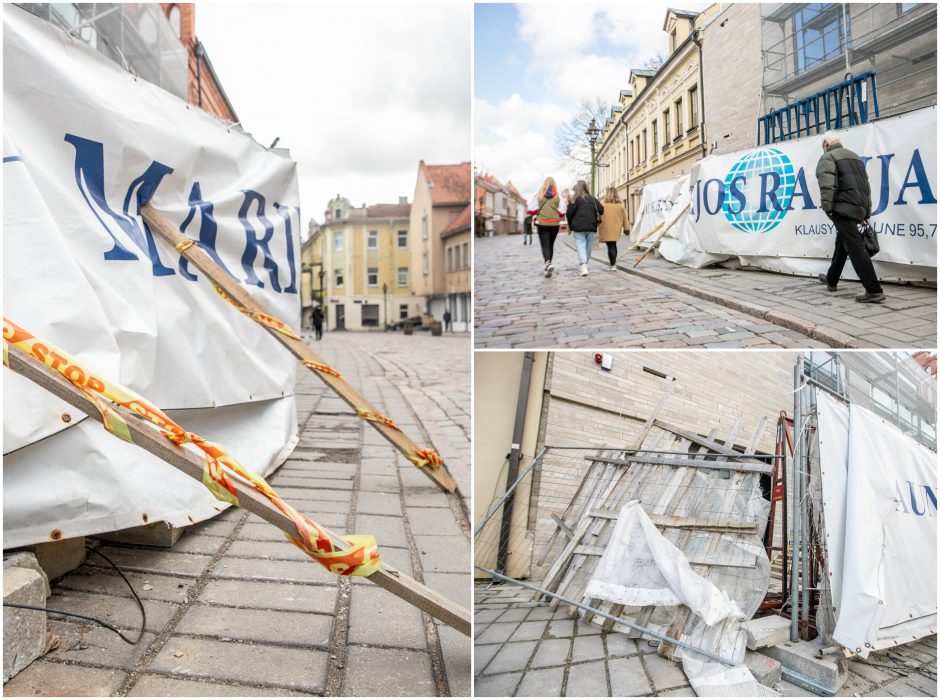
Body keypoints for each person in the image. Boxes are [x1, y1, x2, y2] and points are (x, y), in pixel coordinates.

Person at [815, 131, 884, 303]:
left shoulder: (828, 158)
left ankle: (874, 290)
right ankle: (831, 280)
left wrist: (829, 209)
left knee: (855, 247)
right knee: (842, 243)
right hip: (857, 208)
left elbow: (827, 187)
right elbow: (866, 188)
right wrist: (866, 212)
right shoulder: (856, 158)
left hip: (842, 208)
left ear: (825, 144)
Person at [565, 180, 604, 277]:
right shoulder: (592, 199)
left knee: (580, 246)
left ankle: (583, 265)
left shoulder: (574, 199)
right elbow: (602, 209)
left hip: (578, 227)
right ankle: (584, 264)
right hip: (591, 226)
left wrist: (570, 225)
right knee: (588, 247)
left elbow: (569, 214)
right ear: (586, 187)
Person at [529, 176, 565, 277]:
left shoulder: (539, 194)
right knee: (550, 245)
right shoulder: (558, 195)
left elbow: (532, 209)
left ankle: (548, 263)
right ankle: (548, 264)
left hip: (542, 223)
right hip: (554, 223)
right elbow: (562, 211)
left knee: (545, 245)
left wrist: (539, 210)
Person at [597, 187, 627, 270]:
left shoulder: (602, 204)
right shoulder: (620, 205)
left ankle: (613, 264)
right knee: (613, 244)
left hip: (606, 228)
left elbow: (598, 217)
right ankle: (613, 263)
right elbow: (625, 218)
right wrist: (626, 228)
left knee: (610, 245)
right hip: (616, 228)